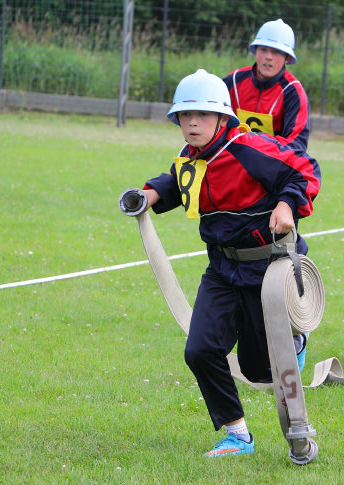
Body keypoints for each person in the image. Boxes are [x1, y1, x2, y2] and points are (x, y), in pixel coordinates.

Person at [139, 69, 321, 457]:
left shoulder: (248, 148)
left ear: (223, 118)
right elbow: (176, 181)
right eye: (184, 116)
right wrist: (149, 194)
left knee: (259, 371)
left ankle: (296, 337)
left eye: (202, 115)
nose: (191, 122)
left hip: (267, 271)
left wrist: (288, 203)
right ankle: (238, 435)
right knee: (200, 350)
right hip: (221, 271)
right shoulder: (192, 157)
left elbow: (304, 170)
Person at [223, 18, 310, 154]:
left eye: (276, 52)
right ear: (255, 50)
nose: (268, 57)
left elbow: (296, 145)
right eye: (263, 49)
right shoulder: (232, 81)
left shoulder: (293, 92)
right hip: (232, 159)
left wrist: (255, 143)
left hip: (272, 165)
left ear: (287, 58)